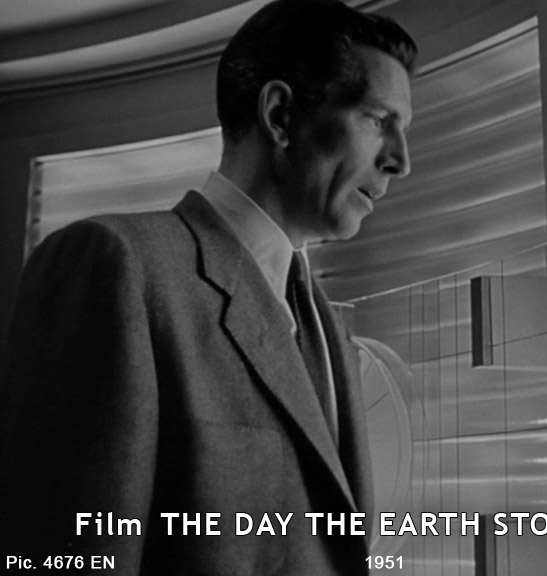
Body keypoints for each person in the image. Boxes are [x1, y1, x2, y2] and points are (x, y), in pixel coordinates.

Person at [0, 0, 416, 573]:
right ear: (280, 115)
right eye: (377, 121)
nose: (401, 161)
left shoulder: (330, 332)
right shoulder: (114, 265)